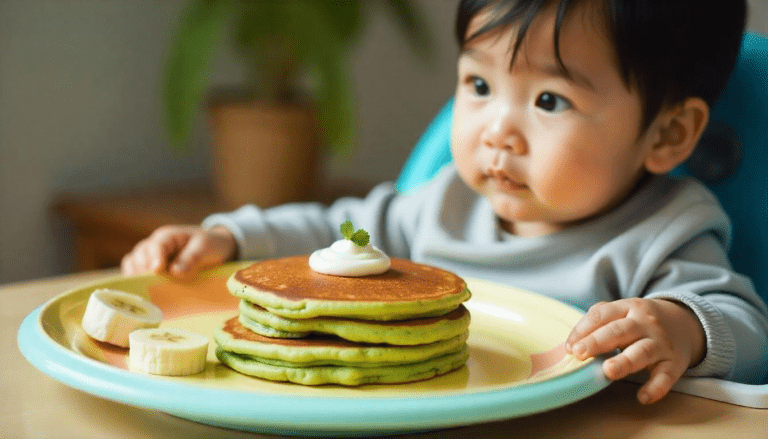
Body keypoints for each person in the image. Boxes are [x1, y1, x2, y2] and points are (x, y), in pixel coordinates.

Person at [122, 0, 768, 404]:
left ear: (668, 133)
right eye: (479, 84)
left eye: (550, 100)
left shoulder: (662, 230)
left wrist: (680, 326)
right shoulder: (440, 203)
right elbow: (327, 232)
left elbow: (741, 319)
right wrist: (231, 238)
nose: (497, 130)